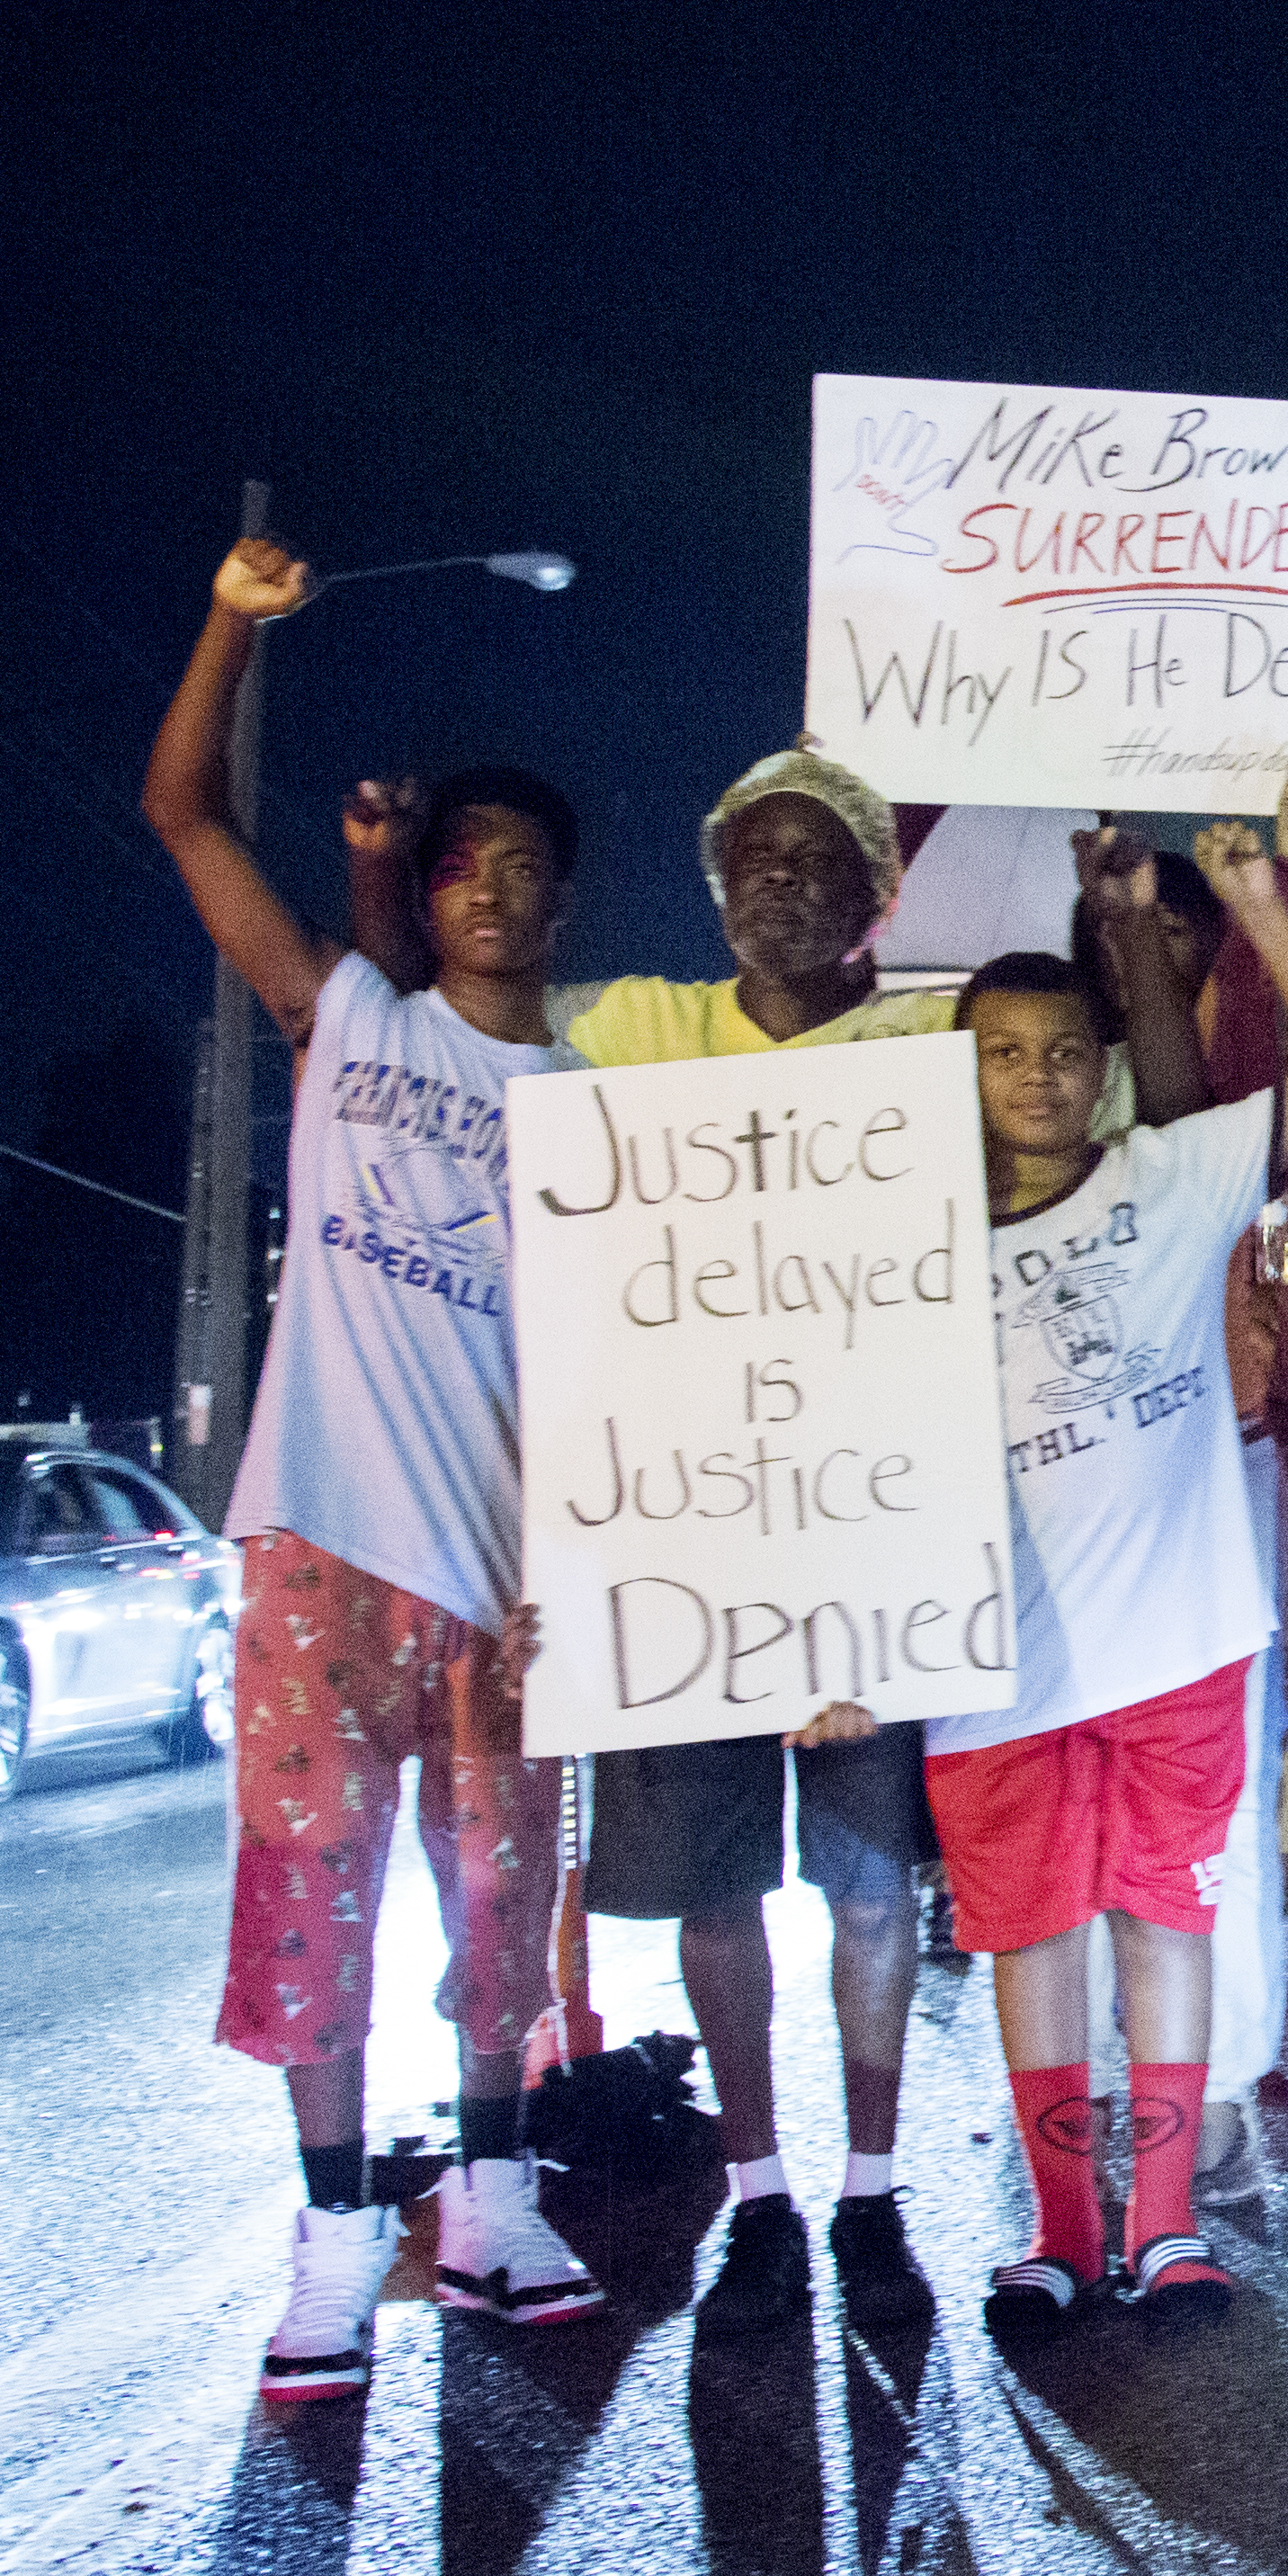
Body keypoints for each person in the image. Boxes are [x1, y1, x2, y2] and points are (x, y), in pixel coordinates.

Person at [145, 529, 604, 2401]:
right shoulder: (345, 1018)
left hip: (508, 1564)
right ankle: (337, 2228)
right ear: (430, 888)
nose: (492, 888)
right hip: (325, 1539)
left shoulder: (592, 1114)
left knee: (506, 1896)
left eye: (525, 868)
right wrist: (228, 627)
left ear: (562, 902)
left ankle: (490, 2196)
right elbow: (182, 814)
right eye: (463, 863)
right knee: (316, 1884)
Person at [517, 747, 951, 2333]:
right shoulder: (633, 1031)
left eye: (817, 858)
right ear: (715, 890)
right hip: (687, 1548)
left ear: (874, 895)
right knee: (717, 1891)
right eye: (752, 858)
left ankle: (875, 2194)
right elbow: (462, 1027)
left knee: (868, 1886)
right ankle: (762, 2195)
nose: (781, 881)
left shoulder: (931, 1047)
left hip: (871, 1539)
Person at [938, 830, 1288, 2336]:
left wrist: (1255, 908)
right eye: (1002, 1051)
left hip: (1178, 1639)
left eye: (1064, 1048)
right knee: (1034, 1938)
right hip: (993, 1666)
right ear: (957, 1070)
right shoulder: (899, 1249)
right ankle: (1060, 2233)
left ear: (1104, 1059)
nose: (1037, 1075)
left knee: (1164, 1923)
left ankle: (1165, 2225)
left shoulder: (1174, 1178)